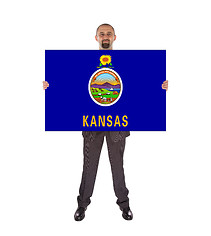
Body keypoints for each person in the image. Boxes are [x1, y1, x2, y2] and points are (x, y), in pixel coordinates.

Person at [43, 23, 168, 221]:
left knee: (117, 166)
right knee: (89, 165)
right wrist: (52, 87)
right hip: (92, 124)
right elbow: (71, 87)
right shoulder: (84, 64)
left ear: (115, 37)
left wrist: (158, 87)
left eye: (108, 33)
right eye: (102, 34)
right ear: (96, 38)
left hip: (117, 124)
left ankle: (124, 205)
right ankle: (82, 205)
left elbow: (139, 87)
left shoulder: (127, 64)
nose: (105, 36)